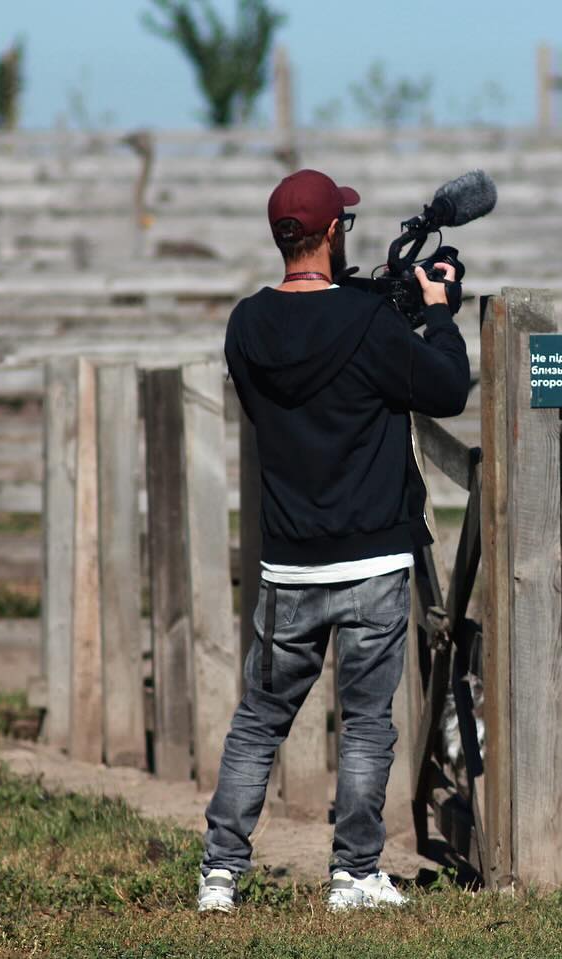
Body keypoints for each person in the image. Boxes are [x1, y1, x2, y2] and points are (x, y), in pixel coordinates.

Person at [197, 169, 470, 914]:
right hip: (373, 557)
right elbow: (447, 387)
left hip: (288, 560)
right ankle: (354, 873)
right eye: (342, 221)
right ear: (330, 232)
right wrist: (437, 311)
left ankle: (220, 872)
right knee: (367, 722)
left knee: (260, 718)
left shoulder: (246, 325)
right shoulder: (368, 324)